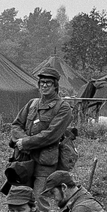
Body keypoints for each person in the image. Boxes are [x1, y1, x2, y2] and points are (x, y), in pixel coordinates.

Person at [11, 67, 76, 196]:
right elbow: (16, 125)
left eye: (48, 83)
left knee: (40, 198)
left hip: (45, 161)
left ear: (55, 86)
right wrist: (22, 140)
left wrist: (26, 143)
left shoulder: (63, 108)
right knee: (18, 196)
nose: (44, 85)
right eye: (42, 82)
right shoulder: (32, 103)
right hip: (24, 158)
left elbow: (51, 135)